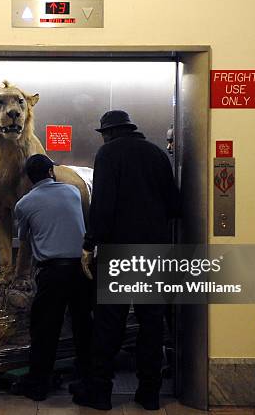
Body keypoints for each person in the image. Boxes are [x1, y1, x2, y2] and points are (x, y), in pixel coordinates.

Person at [73, 110, 180, 411]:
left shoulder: (108, 153)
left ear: (108, 133)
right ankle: (150, 393)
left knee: (108, 324)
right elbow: (175, 204)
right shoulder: (158, 154)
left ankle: (101, 392)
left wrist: (89, 244)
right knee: (151, 324)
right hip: (155, 252)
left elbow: (102, 205)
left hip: (118, 251)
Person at [14, 154, 94, 401]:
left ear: (28, 178)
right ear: (52, 172)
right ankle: (87, 382)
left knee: (45, 330)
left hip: (52, 273)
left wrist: (19, 275)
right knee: (84, 328)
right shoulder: (72, 192)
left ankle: (38, 385)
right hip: (82, 270)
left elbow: (25, 241)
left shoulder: (23, 204)